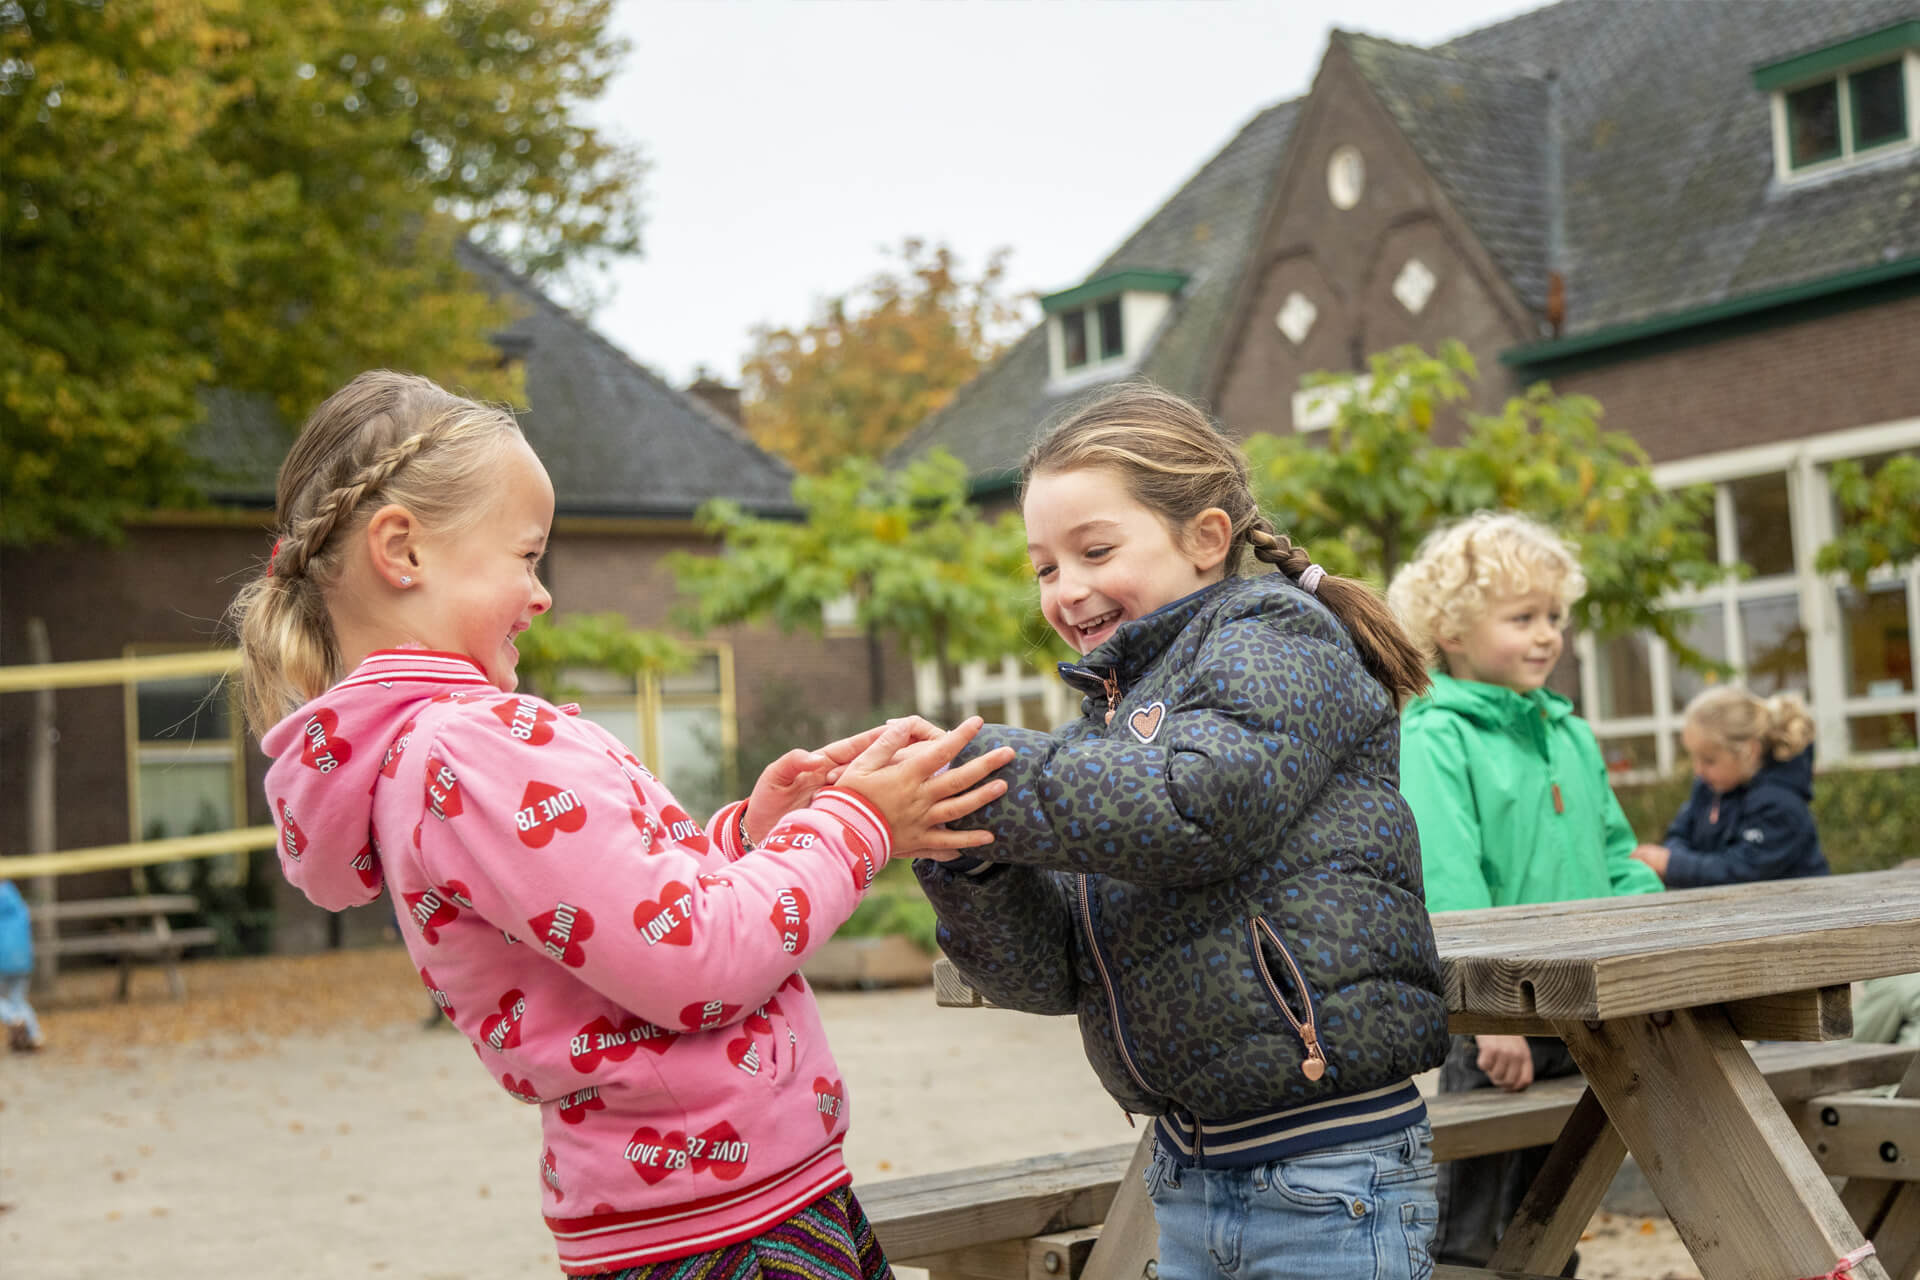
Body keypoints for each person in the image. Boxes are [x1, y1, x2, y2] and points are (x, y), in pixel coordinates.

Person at [229, 370, 1014, 1279]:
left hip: (691, 1211)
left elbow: (612, 920)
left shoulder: (426, 755)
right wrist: (853, 825)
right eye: (527, 557)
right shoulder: (470, 750)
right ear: (402, 551)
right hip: (727, 1230)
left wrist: (750, 839)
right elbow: (696, 965)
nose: (542, 592)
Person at [914, 382, 1452, 1280]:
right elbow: (1047, 978)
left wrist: (982, 772)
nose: (1068, 589)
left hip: (1327, 1167)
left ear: (1206, 538)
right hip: (1188, 1173)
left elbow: (1197, 808)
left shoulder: (1280, 637)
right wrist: (965, 850)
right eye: (1045, 568)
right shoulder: (1111, 728)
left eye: (1095, 551)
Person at [1385, 510, 1662, 1273]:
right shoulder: (1437, 734)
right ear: (1452, 631)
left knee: (1555, 1219)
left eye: (1554, 617)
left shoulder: (1568, 734)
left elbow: (1616, 856)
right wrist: (1487, 1019)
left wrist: (1653, 948)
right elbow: (1446, 883)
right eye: (1522, 618)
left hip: (1589, 1015)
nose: (1547, 635)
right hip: (1502, 1025)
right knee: (1471, 1238)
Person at [1629, 685, 1826, 887]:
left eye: (1709, 760)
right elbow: (1678, 834)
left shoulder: (1780, 805)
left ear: (1749, 751)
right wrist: (1671, 859)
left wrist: (1672, 864)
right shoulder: (1710, 788)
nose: (1698, 770)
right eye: (1693, 758)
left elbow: (1744, 870)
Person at [0, 880, 44, 1052]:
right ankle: (34, 1035)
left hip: (2, 961)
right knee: (18, 999)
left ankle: (13, 1018)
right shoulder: (20, 907)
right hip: (23, 961)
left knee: (11, 1004)